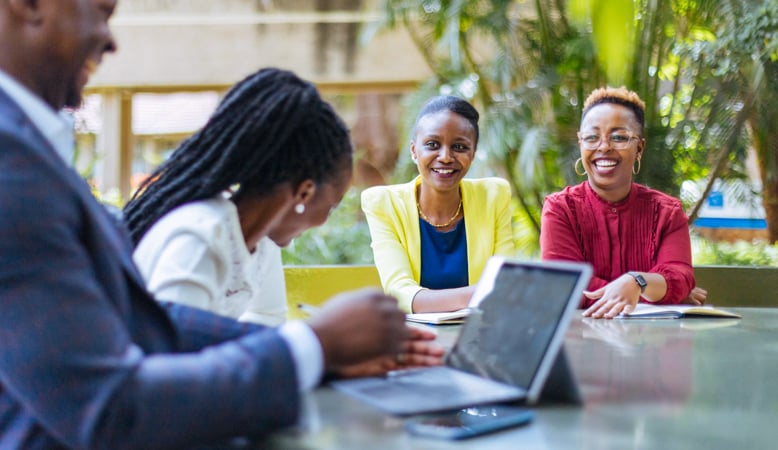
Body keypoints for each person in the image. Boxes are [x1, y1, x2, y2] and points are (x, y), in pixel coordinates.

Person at [0, 1, 442, 448]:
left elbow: (143, 322)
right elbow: (110, 408)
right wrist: (312, 346)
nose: (111, 40)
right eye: (101, 10)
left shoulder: (30, 148)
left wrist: (328, 351)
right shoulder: (11, 164)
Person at [123, 68, 348, 327]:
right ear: (304, 192)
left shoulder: (263, 239)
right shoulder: (198, 240)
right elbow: (174, 357)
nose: (323, 222)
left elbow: (267, 319)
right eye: (331, 207)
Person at [540, 86, 707, 319]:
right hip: (580, 342)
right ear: (580, 143)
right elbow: (563, 283)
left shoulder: (668, 212)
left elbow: (679, 277)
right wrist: (651, 289)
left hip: (651, 345)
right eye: (592, 137)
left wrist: (636, 283)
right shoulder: (560, 209)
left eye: (619, 137)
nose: (604, 146)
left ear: (639, 147)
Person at [362, 95, 515, 313]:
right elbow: (400, 293)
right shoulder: (383, 203)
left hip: (480, 334)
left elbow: (506, 281)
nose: (445, 157)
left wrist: (498, 290)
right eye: (432, 145)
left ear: (473, 153)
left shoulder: (493, 195)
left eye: (459, 147)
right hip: (416, 340)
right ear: (414, 151)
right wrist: (486, 292)